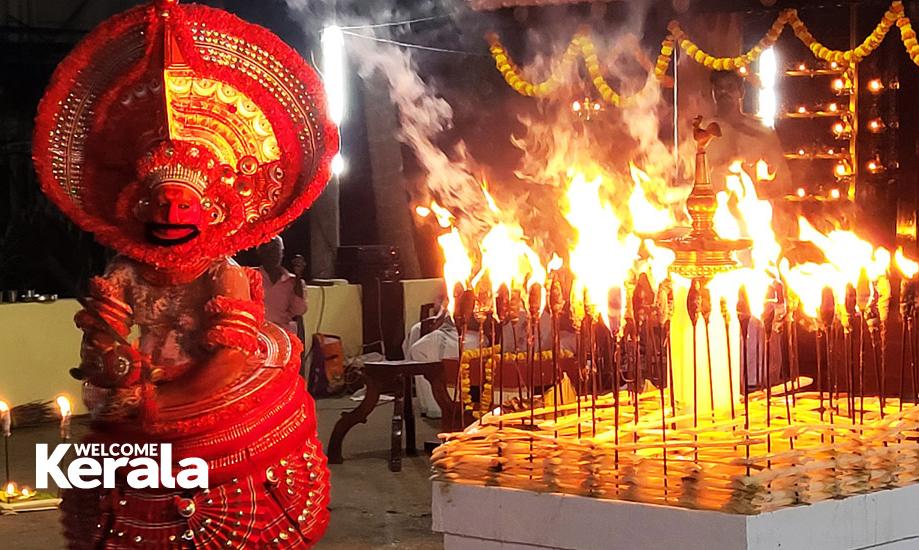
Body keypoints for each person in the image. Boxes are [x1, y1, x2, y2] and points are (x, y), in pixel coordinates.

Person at [32, 0, 339, 547]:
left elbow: (229, 357)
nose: (172, 215)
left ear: (212, 211)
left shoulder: (222, 271)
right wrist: (113, 364)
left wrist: (165, 406)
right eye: (162, 204)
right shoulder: (125, 270)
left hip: (207, 401)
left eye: (183, 205)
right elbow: (101, 339)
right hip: (140, 393)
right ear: (138, 207)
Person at [706, 70, 792, 198]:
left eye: (730, 87)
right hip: (713, 209)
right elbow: (688, 175)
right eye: (719, 88)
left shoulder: (763, 132)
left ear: (741, 91)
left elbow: (783, 180)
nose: (724, 92)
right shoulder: (702, 132)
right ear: (713, 93)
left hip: (754, 210)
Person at [258, 237, 308, 333]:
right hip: (258, 333)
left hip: (283, 333)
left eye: (275, 249)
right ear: (260, 253)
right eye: (267, 250)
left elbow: (299, 310)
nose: (272, 254)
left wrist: (298, 276)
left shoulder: (292, 281)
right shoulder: (251, 277)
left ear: (282, 253)